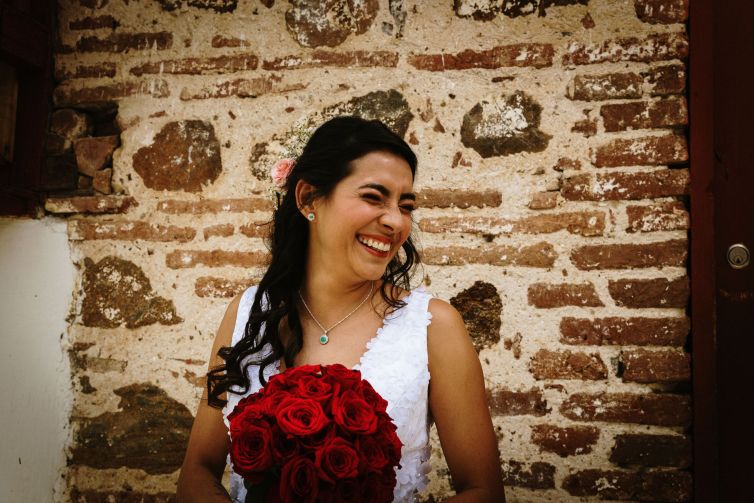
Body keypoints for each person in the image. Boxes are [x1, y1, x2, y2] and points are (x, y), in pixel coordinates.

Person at [177, 116, 505, 502]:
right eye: (373, 197)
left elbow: (483, 492)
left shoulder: (434, 327)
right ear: (307, 199)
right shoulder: (248, 313)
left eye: (406, 204)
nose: (396, 221)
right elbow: (196, 471)